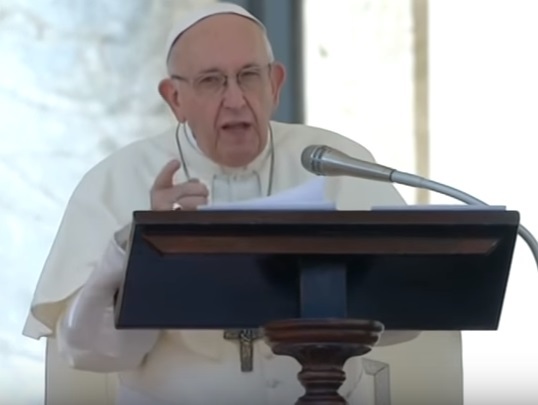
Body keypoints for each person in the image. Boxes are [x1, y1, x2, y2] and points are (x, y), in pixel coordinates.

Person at [23, 3, 463, 405]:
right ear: (175, 98)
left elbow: (407, 317)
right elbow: (92, 353)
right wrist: (140, 249)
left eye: (249, 76)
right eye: (211, 81)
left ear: (275, 83)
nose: (235, 100)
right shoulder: (117, 179)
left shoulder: (335, 162)